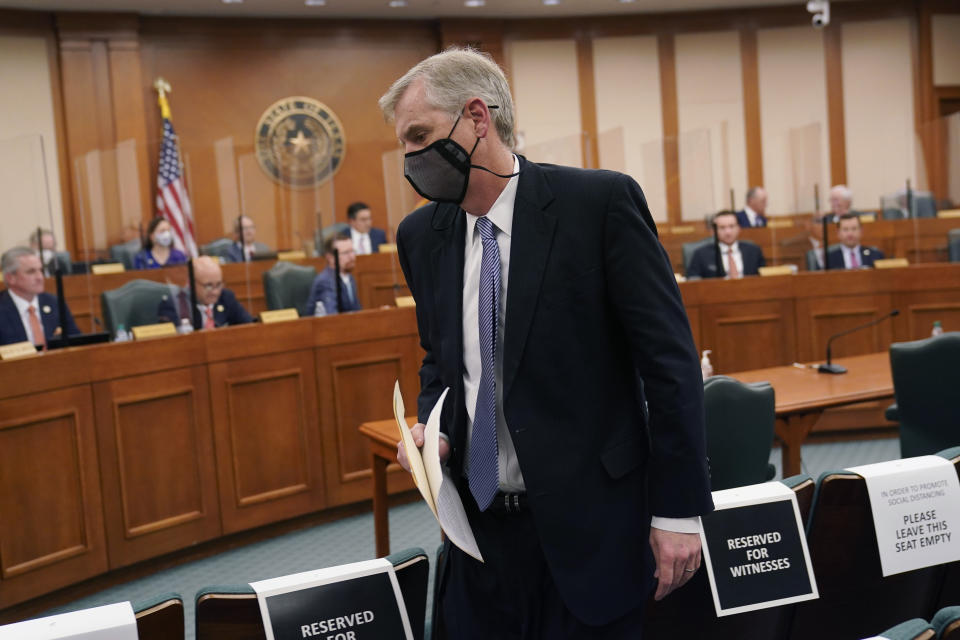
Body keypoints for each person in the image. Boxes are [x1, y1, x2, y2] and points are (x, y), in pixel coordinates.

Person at [381, 47, 712, 638]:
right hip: (478, 535)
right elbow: (443, 363)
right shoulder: (419, 235)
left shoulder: (598, 205)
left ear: (477, 118)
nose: (409, 158)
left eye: (419, 135)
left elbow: (669, 364)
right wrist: (437, 431)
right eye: (403, 143)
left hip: (592, 528)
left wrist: (679, 510)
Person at [0, 247, 80, 346]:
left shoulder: (54, 302)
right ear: (10, 278)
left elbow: (76, 342)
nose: (40, 277)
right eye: (31, 272)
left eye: (41, 270)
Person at [157, 256, 253, 328]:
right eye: (208, 286)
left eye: (219, 284)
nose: (215, 292)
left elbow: (250, 326)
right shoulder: (175, 304)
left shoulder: (226, 297)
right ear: (192, 283)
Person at [686, 210, 766, 279]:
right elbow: (693, 280)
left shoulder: (754, 251)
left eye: (731, 226)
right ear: (713, 231)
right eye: (722, 227)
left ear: (739, 228)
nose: (728, 232)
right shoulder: (701, 254)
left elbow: (764, 279)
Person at [304, 233, 361, 316]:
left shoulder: (349, 278)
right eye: (346, 253)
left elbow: (356, 311)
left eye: (352, 251)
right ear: (330, 258)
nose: (352, 257)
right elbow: (332, 317)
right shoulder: (325, 281)